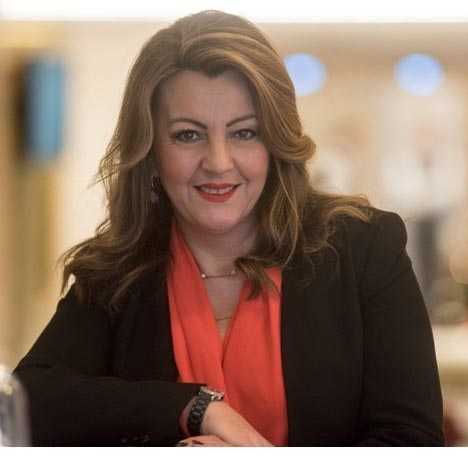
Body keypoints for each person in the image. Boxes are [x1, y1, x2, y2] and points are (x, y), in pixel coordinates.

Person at [14, 10, 443, 446]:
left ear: (276, 143)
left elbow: (412, 441)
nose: (218, 162)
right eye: (188, 135)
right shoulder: (116, 276)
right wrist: (194, 409)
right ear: (150, 151)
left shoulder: (363, 250)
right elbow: (27, 401)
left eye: (244, 133)